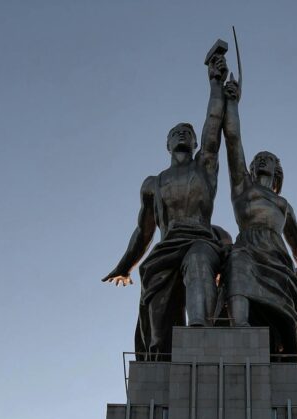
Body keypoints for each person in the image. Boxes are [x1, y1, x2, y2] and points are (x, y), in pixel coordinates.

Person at [102, 47, 230, 360]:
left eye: (188, 132)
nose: (183, 134)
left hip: (200, 239)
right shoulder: (153, 183)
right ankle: (161, 357)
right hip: (165, 249)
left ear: (196, 142)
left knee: (199, 262)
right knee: (157, 323)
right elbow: (143, 231)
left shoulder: (205, 167)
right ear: (168, 143)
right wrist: (124, 265)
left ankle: (201, 331)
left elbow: (214, 123)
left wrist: (215, 83)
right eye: (176, 132)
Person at [221, 79, 297, 359]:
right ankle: (239, 332)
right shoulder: (242, 188)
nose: (262, 160)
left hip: (277, 259)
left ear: (277, 171)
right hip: (248, 249)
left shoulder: (283, 204)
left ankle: (286, 350)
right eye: (258, 159)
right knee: (237, 263)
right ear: (250, 168)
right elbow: (234, 141)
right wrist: (232, 104)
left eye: (269, 158)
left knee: (287, 321)